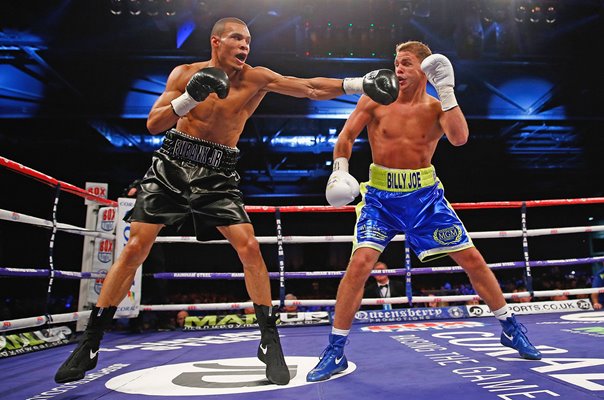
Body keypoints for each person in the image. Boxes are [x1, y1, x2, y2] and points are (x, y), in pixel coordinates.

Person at [54, 17, 398, 386]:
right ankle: (90, 342)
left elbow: (310, 88)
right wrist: (190, 97)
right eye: (237, 38)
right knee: (136, 246)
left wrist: (358, 83)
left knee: (249, 247)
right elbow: (154, 124)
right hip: (171, 164)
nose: (245, 46)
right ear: (216, 42)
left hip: (219, 170)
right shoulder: (185, 73)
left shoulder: (256, 77)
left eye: (249, 40)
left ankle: (269, 341)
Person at [306, 41, 542, 382]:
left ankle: (509, 327)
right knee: (359, 265)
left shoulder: (436, 107)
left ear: (424, 69)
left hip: (424, 198)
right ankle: (335, 350)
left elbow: (460, 138)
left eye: (405, 63)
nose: (397, 69)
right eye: (396, 63)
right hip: (380, 200)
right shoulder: (374, 99)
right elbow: (345, 137)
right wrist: (340, 169)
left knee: (473, 260)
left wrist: (446, 90)